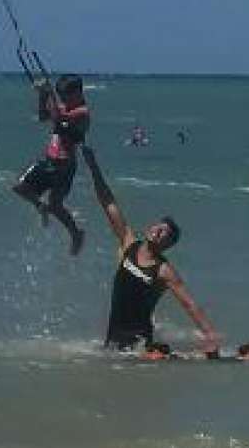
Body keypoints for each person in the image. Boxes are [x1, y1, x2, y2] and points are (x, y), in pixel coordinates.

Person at [82, 144, 220, 352]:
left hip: (139, 344)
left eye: (165, 233)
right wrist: (93, 167)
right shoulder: (129, 243)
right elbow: (108, 203)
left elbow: (189, 304)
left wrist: (210, 335)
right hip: (113, 339)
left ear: (168, 245)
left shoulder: (163, 270)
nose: (158, 231)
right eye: (158, 226)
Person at [13, 74, 89, 255]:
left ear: (78, 93)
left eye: (66, 96)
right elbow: (43, 117)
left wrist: (49, 95)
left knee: (56, 204)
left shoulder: (82, 112)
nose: (63, 100)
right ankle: (40, 206)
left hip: (65, 166)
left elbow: (61, 118)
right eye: (61, 96)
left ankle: (76, 234)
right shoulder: (63, 108)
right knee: (19, 186)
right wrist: (42, 96)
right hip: (49, 161)